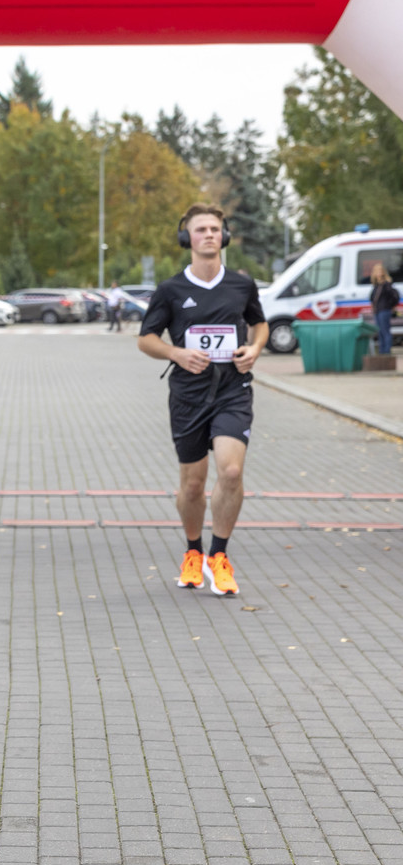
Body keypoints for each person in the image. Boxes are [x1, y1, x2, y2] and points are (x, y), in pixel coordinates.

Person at [137, 203, 267, 597]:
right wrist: (176, 353)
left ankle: (219, 556)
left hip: (232, 391)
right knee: (193, 485)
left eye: (214, 229)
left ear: (223, 236)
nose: (209, 235)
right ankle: (193, 552)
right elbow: (146, 339)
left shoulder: (242, 285)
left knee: (231, 471)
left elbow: (259, 324)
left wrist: (254, 349)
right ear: (187, 238)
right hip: (189, 397)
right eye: (200, 229)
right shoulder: (171, 290)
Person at [370, 261, 397, 355]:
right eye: (376, 271)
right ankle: (382, 351)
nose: (378, 273)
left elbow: (394, 297)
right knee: (380, 331)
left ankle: (387, 351)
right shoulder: (377, 285)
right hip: (377, 310)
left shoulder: (386, 284)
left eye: (380, 271)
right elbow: (372, 298)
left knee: (385, 331)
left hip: (384, 310)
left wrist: (389, 305)